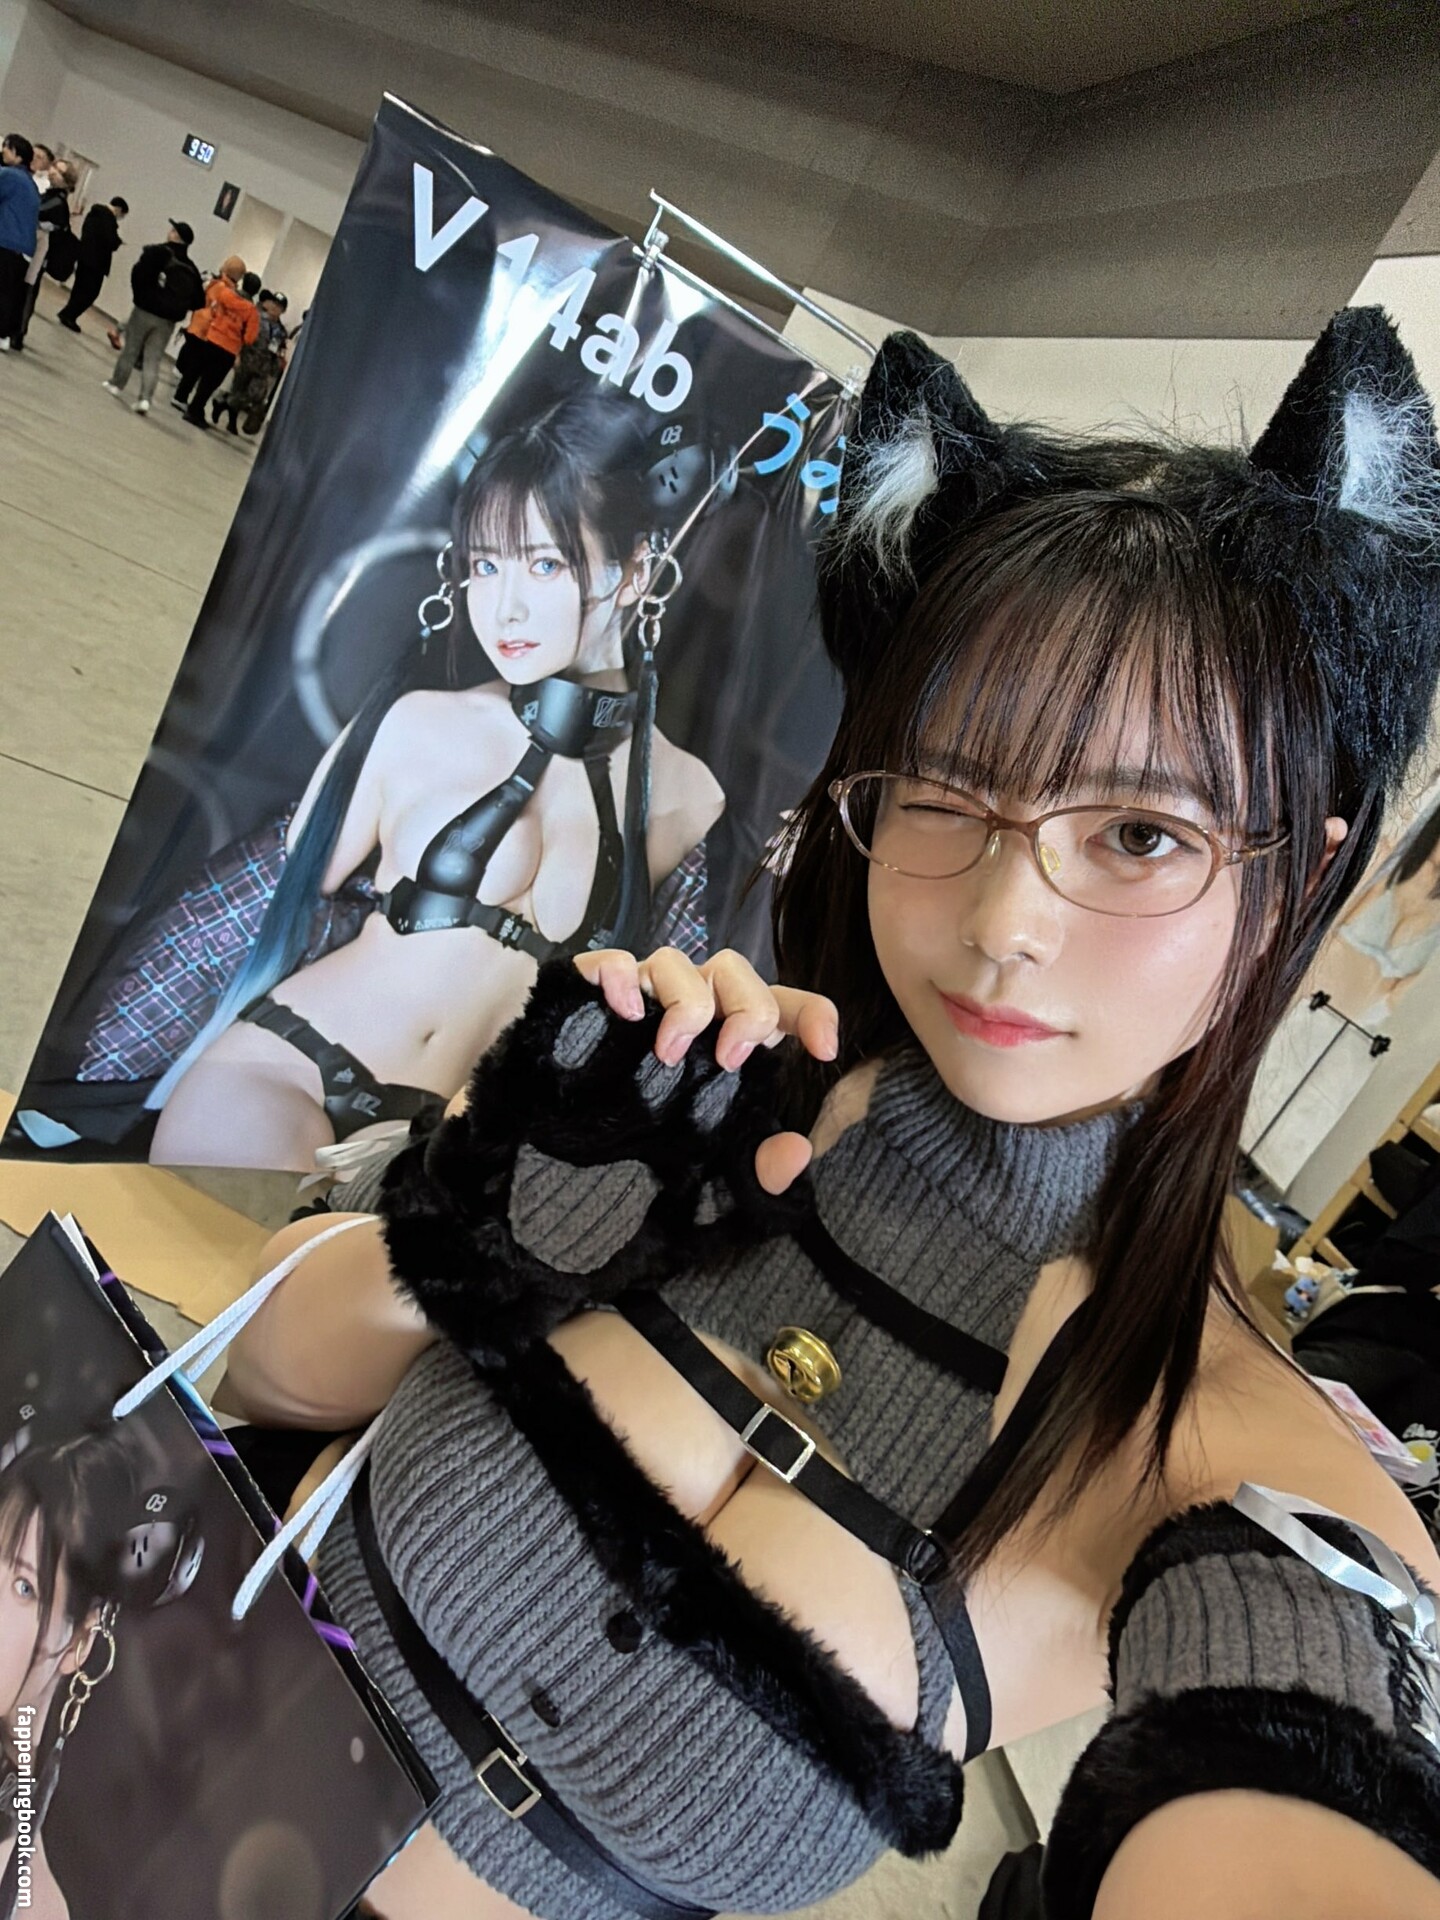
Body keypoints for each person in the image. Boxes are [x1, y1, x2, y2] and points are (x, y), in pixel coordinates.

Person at [218, 308, 1440, 1920]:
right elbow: (253, 1371)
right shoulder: (696, 1083)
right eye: (945, 793)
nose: (1005, 919)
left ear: (1296, 876)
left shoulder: (1203, 1426)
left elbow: (1306, 1831)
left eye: (1140, 835)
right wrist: (476, 1222)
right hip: (114, 1750)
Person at [148, 391, 726, 1168]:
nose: (504, 607)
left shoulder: (688, 794)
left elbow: (659, 1027)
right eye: (485, 564)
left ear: (634, 574)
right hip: (289, 1069)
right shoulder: (419, 720)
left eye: (545, 563)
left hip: (460, 1142)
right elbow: (262, 899)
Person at [102, 218, 203, 417]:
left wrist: (142, 297)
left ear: (176, 235)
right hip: (167, 321)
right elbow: (199, 301)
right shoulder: (191, 268)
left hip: (145, 311)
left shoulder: (157, 252)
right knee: (153, 359)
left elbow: (138, 274)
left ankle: (116, 384)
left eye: (172, 230)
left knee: (130, 350)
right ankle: (145, 399)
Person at [172, 254, 257, 428]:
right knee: (208, 380)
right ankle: (192, 406)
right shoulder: (249, 309)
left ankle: (185, 400)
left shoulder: (220, 289)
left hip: (209, 335)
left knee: (196, 369)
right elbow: (250, 337)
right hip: (223, 344)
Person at [13, 158, 74, 348]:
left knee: (27, 292)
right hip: (33, 251)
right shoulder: (49, 195)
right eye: (54, 167)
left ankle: (18, 332)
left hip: (38, 255)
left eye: (59, 171)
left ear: (67, 181)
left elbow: (35, 212)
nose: (53, 171)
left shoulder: (57, 202)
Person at [211, 287, 287, 434]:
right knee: (238, 391)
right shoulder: (255, 317)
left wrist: (273, 370)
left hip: (262, 368)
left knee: (254, 395)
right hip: (247, 361)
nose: (274, 308)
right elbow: (242, 336)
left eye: (279, 306)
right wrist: (237, 355)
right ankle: (230, 419)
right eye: (273, 303)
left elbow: (279, 352)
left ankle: (223, 403)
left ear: (282, 310)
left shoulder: (281, 331)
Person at [55, 194, 125, 332]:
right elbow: (110, 240)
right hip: (97, 262)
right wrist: (117, 242)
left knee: (79, 289)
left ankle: (68, 315)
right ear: (118, 209)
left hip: (84, 257)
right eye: (122, 214)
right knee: (91, 292)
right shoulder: (108, 219)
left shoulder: (94, 213)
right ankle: (68, 314)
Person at [0, 135, 39, 355]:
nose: (3, 152)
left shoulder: (10, 176)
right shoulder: (29, 182)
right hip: (23, 248)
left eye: (6, 148)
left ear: (16, 153)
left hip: (6, 241)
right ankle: (4, 335)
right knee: (10, 292)